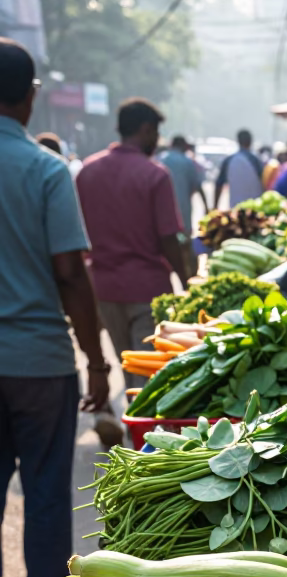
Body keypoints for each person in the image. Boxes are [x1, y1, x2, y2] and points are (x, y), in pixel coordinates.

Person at [0, 39, 109, 577]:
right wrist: (96, 360)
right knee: (44, 485)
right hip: (39, 361)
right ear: (31, 96)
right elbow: (70, 272)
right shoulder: (46, 169)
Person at [76, 98, 187, 391]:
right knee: (149, 377)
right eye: (155, 133)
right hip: (147, 290)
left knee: (128, 366)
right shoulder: (154, 174)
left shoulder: (87, 171)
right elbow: (168, 239)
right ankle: (143, 434)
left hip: (105, 290)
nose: (156, 140)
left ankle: (133, 429)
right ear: (146, 129)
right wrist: (187, 280)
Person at [161, 134, 208, 277]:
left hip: (162, 215)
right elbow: (197, 187)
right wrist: (207, 207)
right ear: (184, 146)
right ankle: (189, 277)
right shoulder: (187, 162)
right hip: (183, 213)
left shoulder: (160, 160)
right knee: (186, 247)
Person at [214, 129, 263, 209]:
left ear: (238, 141)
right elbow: (265, 183)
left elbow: (219, 184)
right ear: (250, 141)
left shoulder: (229, 160)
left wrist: (215, 206)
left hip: (235, 209)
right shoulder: (256, 161)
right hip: (256, 208)